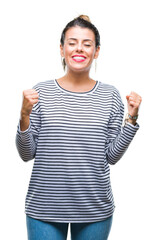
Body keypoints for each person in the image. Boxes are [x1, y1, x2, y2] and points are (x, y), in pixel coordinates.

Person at [16, 15, 142, 240]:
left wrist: (131, 119)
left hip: (94, 209)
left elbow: (111, 156)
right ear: (62, 48)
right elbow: (26, 154)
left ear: (97, 51)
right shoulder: (41, 93)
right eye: (72, 42)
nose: (79, 49)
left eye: (87, 44)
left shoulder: (110, 95)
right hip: (44, 208)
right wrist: (24, 115)